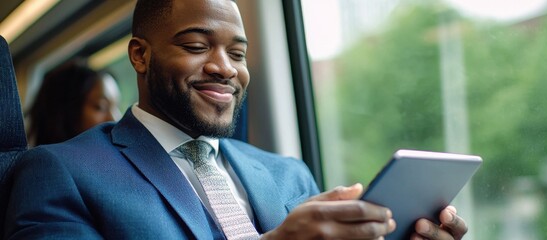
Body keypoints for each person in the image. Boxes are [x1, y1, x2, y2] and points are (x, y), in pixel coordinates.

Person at [4, 0, 468, 239]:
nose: (225, 67)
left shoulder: (289, 175)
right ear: (140, 56)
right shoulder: (59, 172)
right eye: (196, 46)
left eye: (238, 53)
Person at [25, 60, 121, 146]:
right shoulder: (41, 164)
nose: (115, 119)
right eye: (101, 107)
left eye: (117, 107)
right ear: (65, 111)